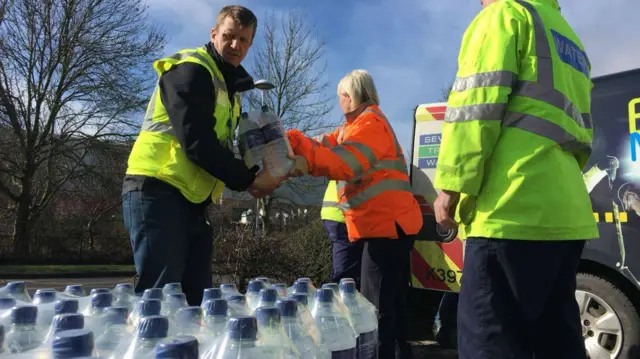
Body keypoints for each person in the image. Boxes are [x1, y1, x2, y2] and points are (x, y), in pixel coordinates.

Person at [432, 0, 598, 358]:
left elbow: (474, 109)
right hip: (566, 212)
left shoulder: (504, 15)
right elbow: (583, 132)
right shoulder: (567, 37)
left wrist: (451, 186)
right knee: (557, 341)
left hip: (510, 209)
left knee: (490, 341)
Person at [122, 5, 279, 306]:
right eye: (230, 36)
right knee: (160, 302)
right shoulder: (192, 70)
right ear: (214, 34)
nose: (236, 46)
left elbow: (216, 148)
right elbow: (197, 142)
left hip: (191, 201)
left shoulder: (228, 90)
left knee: (196, 302)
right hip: (157, 190)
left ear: (250, 44)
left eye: (244, 40)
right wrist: (248, 180)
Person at [287, 69, 423, 359]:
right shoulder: (358, 125)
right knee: (392, 306)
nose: (339, 102)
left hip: (386, 229)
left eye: (340, 97)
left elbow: (343, 162)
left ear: (349, 96)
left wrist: (305, 164)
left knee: (375, 311)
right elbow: (324, 144)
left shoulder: (370, 123)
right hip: (390, 228)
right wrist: (290, 140)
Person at [321, 180, 364, 289]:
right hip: (344, 215)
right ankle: (343, 297)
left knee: (345, 267)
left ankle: (338, 295)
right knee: (346, 275)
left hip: (335, 213)